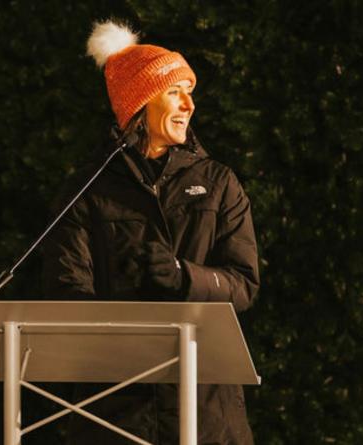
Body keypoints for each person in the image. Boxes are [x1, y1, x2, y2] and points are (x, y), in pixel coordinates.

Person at [42, 20, 260, 444]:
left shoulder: (219, 182)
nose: (189, 105)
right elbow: (67, 294)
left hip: (207, 415)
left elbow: (244, 283)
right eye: (175, 92)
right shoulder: (88, 190)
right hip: (116, 417)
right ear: (139, 104)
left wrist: (185, 277)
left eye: (190, 93)